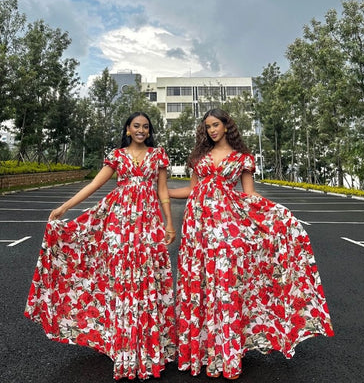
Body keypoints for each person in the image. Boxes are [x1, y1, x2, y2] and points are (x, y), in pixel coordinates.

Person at [169, 108, 334, 380]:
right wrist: (159, 192)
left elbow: (249, 194)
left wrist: (279, 215)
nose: (211, 130)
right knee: (200, 283)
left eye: (215, 125)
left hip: (227, 223)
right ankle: (202, 353)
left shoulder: (243, 158)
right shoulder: (199, 157)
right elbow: (191, 190)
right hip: (196, 227)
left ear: (226, 126)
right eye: (207, 126)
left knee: (223, 282)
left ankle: (227, 354)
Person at [25, 112, 177, 381]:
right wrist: (64, 207)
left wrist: (169, 223)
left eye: (145, 127)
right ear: (128, 129)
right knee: (124, 282)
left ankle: (149, 347)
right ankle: (125, 348)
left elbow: (162, 191)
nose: (141, 130)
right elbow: (95, 185)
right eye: (136, 126)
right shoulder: (117, 156)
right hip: (120, 227)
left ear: (149, 130)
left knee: (148, 281)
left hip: (149, 224)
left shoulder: (158, 155)